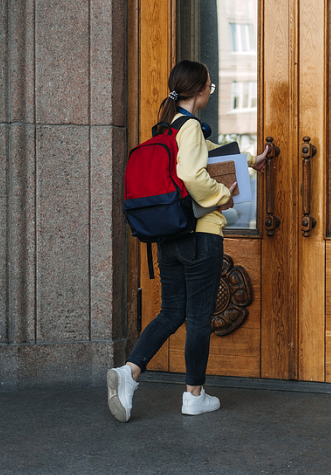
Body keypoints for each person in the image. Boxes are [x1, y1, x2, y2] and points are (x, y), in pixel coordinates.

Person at [107, 60, 269, 422]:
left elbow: (212, 155)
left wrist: (249, 161)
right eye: (210, 87)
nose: (210, 92)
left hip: (170, 237)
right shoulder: (191, 126)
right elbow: (195, 174)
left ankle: (129, 373)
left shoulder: (170, 127)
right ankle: (194, 395)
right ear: (198, 91)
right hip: (201, 237)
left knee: (171, 312)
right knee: (197, 319)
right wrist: (222, 196)